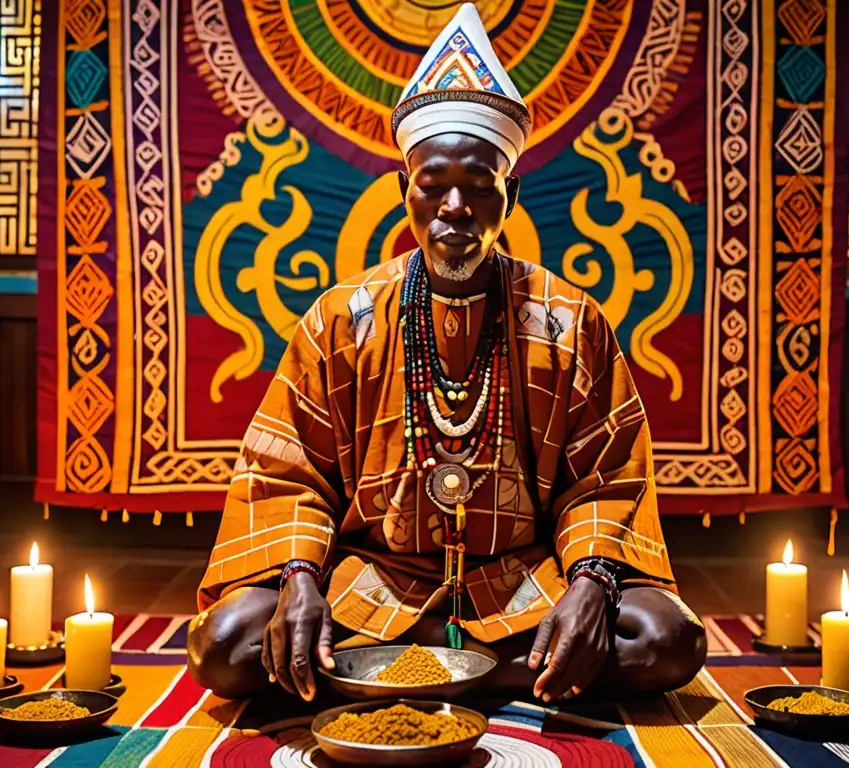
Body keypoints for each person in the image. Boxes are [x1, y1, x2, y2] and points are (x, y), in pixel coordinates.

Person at [187, 3, 706, 704]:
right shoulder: (340, 319)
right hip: (371, 581)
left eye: (478, 188)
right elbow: (285, 473)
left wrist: (590, 581)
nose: (454, 207)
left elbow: (607, 479)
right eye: (432, 186)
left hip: (524, 581)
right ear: (407, 193)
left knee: (667, 640)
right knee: (226, 645)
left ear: (510, 194)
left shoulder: (568, 319)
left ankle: (387, 674)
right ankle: (502, 679)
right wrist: (300, 578)